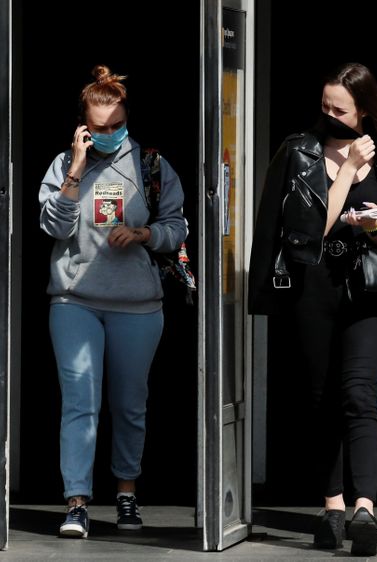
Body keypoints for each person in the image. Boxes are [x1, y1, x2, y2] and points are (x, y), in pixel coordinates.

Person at [248, 62, 377, 557]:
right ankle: (332, 507)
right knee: (323, 398)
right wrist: (346, 171)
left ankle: (365, 509)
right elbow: (308, 235)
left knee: (359, 394)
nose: (329, 115)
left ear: (364, 110)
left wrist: (374, 227)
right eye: (324, 106)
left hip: (366, 289)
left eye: (340, 108)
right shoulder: (299, 151)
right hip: (313, 287)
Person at [39, 65, 188, 539]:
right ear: (82, 125)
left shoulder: (150, 165)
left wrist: (145, 233)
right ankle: (77, 502)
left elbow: (178, 228)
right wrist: (77, 171)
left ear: (126, 119)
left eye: (114, 126)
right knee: (80, 402)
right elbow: (53, 228)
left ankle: (126, 493)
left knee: (129, 404)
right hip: (74, 300)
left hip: (137, 304)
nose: (106, 134)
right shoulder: (64, 166)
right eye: (97, 128)